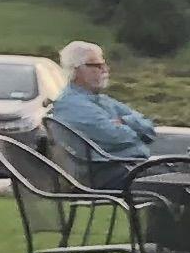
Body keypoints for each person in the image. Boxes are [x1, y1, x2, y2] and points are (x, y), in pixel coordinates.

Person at [47, 39, 164, 189]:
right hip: (103, 174)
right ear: (76, 70)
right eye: (96, 65)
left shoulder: (102, 100)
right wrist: (136, 132)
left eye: (104, 64)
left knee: (184, 176)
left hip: (126, 168)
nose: (105, 69)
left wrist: (126, 122)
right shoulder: (72, 105)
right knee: (178, 181)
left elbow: (149, 128)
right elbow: (118, 136)